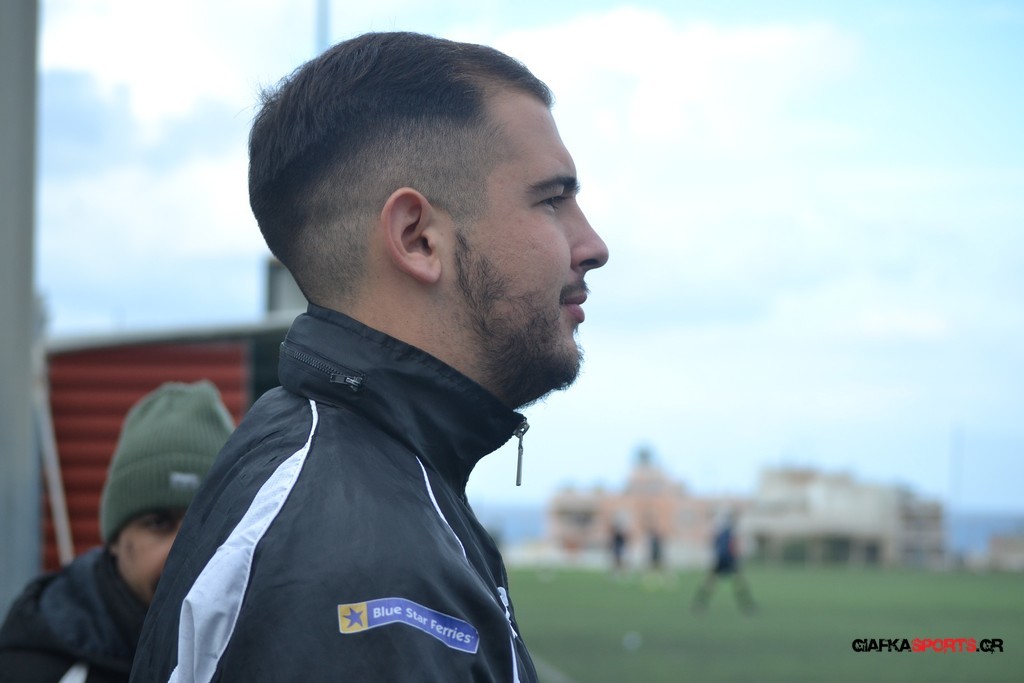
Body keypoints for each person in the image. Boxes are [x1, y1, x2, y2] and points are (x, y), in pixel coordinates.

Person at [131, 31, 608, 683]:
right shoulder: (359, 568)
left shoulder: (358, 478)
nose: (592, 244)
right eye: (552, 199)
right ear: (417, 238)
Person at [0, 381, 234, 683]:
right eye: (158, 523)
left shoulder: (265, 650)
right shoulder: (35, 667)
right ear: (115, 540)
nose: (182, 551)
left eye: (205, 523)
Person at [691, 508, 757, 614]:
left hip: (721, 559)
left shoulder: (721, 529)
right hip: (728, 560)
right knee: (738, 583)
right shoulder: (731, 530)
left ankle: (699, 604)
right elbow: (734, 546)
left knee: (711, 583)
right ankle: (747, 605)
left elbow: (714, 543)